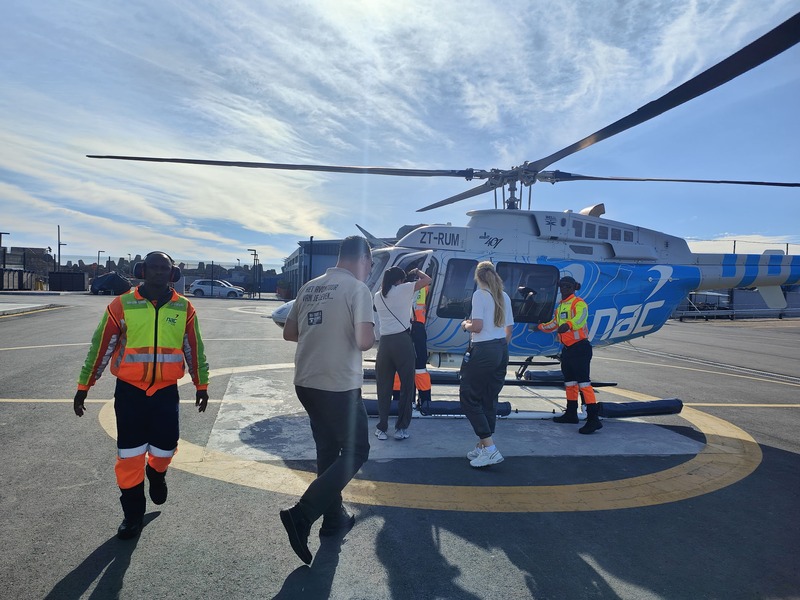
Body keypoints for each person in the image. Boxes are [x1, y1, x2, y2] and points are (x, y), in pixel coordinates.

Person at [73, 251, 209, 540]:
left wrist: (202, 384)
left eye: (165, 268)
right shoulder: (121, 305)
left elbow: (194, 349)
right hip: (130, 393)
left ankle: (157, 474)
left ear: (172, 274)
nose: (159, 272)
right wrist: (84, 385)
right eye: (153, 267)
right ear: (142, 271)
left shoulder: (184, 308)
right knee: (129, 456)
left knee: (164, 450)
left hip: (165, 393)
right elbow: (101, 347)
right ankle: (132, 515)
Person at [281, 235, 376, 565]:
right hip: (339, 385)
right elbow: (364, 341)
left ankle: (333, 519)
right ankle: (302, 514)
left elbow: (289, 333)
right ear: (363, 259)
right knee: (356, 450)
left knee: (328, 450)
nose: (370, 269)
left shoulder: (310, 286)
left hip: (306, 382)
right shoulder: (358, 290)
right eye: (371, 263)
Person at [460, 261, 513, 468]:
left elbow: (478, 326)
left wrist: (466, 325)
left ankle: (490, 449)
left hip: (484, 350)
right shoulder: (504, 296)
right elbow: (509, 330)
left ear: (478, 277)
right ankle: (483, 446)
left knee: (469, 397)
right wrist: (500, 348)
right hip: (501, 349)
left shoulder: (479, 295)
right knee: (489, 398)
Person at [537, 275, 601, 434]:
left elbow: (580, 318)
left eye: (568, 286)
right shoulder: (560, 307)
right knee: (570, 382)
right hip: (568, 349)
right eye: (562, 286)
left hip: (580, 348)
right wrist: (539, 327)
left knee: (584, 384)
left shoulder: (579, 303)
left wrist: (569, 325)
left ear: (574, 288)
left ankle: (593, 419)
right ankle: (571, 413)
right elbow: (553, 324)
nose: (564, 289)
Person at [374, 266, 432, 440]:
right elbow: (428, 280)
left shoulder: (378, 296)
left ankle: (382, 427)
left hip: (384, 343)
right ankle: (401, 428)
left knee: (383, 386)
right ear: (400, 280)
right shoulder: (405, 288)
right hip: (402, 341)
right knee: (407, 385)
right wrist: (416, 272)